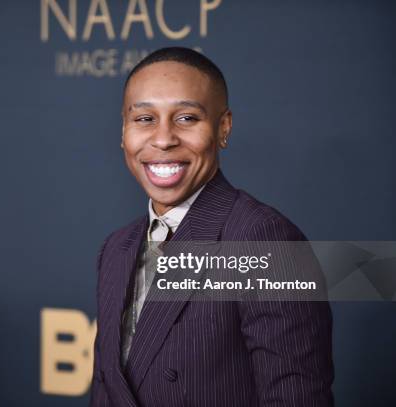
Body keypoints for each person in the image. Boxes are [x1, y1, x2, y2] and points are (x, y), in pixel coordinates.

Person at [90, 47, 334, 406]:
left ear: (223, 128)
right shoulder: (116, 248)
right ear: (124, 131)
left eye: (186, 118)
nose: (163, 138)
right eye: (144, 119)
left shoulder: (262, 240)